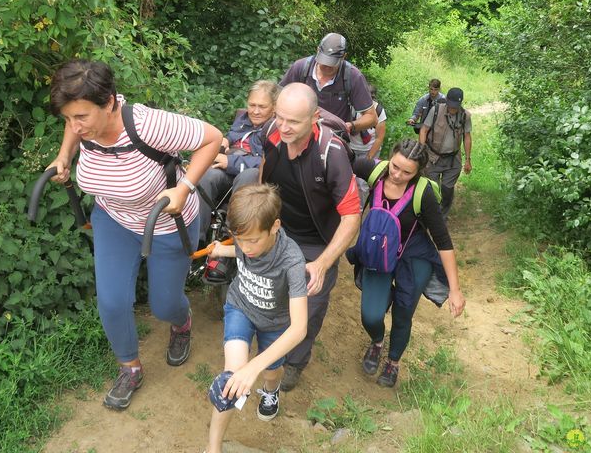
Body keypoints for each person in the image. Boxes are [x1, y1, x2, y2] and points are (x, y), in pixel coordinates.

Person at [47, 59, 222, 410]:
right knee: (111, 302)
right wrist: (64, 155)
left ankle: (182, 322)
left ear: (110, 102)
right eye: (68, 119)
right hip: (113, 218)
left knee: (164, 304)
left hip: (166, 221)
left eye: (81, 117)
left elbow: (213, 138)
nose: (74, 126)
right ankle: (130, 368)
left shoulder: (148, 125)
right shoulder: (83, 125)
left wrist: (185, 187)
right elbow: (74, 124)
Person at [259, 82, 361, 391]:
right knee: (274, 294)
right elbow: (266, 169)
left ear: (314, 117)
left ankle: (295, 361)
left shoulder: (332, 153)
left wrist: (323, 263)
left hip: (318, 239)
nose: (284, 127)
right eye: (280, 117)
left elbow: (351, 216)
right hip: (281, 229)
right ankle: (274, 347)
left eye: (294, 121)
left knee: (309, 305)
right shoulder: (271, 133)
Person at [351, 139, 466, 387]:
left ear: (418, 172)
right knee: (370, 315)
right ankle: (377, 341)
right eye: (395, 167)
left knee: (403, 314)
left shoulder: (423, 194)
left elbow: (443, 241)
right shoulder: (375, 171)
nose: (397, 175)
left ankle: (393, 362)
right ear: (389, 158)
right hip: (379, 253)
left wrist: (455, 290)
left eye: (406, 172)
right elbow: (340, 162)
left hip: (413, 256)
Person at [204, 184, 308, 453]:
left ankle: (271, 390)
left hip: (276, 324)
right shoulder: (244, 240)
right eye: (239, 239)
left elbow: (299, 329)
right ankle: (213, 448)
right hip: (240, 307)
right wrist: (221, 249)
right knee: (232, 379)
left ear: (275, 226)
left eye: (253, 240)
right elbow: (240, 248)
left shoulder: (292, 260)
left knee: (271, 372)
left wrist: (255, 368)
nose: (246, 247)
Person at [197, 80, 279, 244]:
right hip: (228, 170)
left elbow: (268, 162)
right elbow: (234, 136)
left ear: (274, 107)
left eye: (262, 107)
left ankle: (233, 237)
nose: (255, 111)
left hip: (253, 176)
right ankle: (195, 237)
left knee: (249, 175)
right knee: (206, 175)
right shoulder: (244, 118)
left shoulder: (277, 128)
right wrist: (224, 140)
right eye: (251, 105)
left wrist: (230, 161)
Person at [279, 32, 377, 134]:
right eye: (324, 61)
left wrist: (350, 126)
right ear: (317, 51)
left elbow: (371, 117)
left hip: (332, 136)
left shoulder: (353, 76)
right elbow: (278, 98)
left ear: (343, 56)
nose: (327, 66)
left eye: (332, 63)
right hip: (299, 132)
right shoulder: (301, 68)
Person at [419, 87, 472, 218]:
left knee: (447, 190)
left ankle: (442, 215)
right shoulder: (436, 110)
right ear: (447, 101)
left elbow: (467, 137)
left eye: (456, 106)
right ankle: (433, 215)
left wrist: (468, 160)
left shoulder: (465, 116)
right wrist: (421, 152)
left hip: (453, 159)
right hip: (433, 157)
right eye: (451, 105)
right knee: (432, 189)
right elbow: (424, 130)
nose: (453, 109)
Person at [350, 84, 387, 205]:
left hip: (369, 150)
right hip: (351, 148)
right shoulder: (351, 106)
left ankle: (360, 209)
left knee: (363, 184)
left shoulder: (378, 110)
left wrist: (369, 157)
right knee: (349, 179)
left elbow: (379, 137)